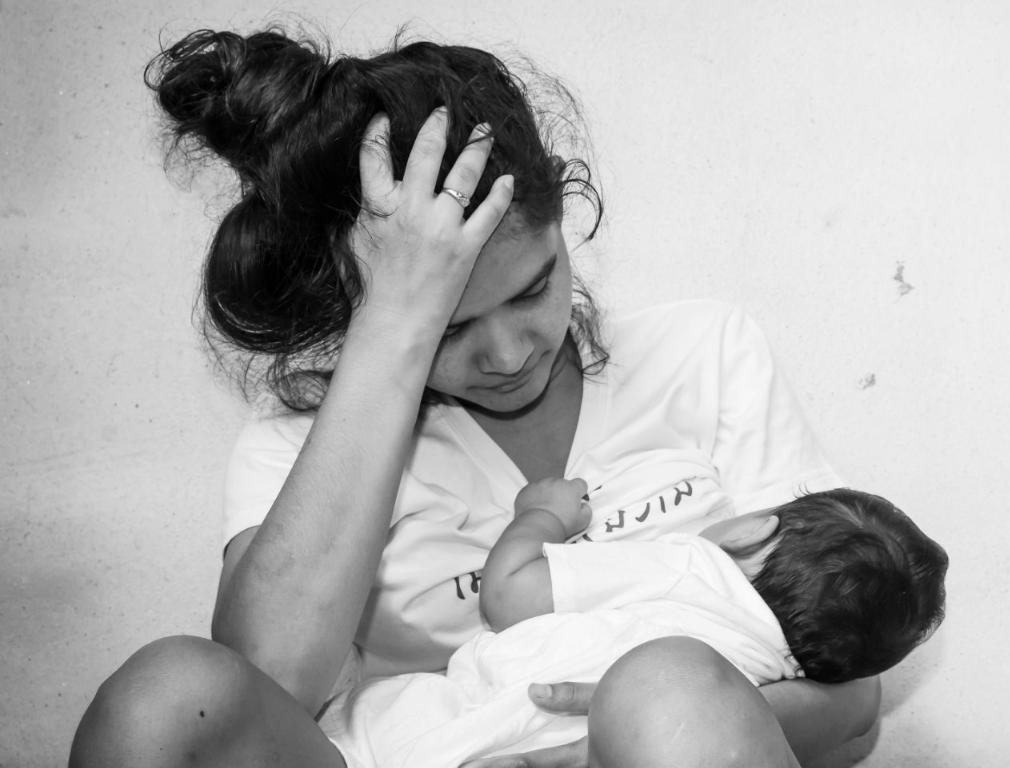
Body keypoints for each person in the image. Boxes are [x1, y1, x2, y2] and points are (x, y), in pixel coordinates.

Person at [70, 27, 884, 768]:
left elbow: (852, 700)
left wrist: (612, 732)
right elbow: (266, 685)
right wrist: (395, 329)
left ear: (562, 217)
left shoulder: (704, 353)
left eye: (532, 289)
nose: (509, 354)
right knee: (164, 694)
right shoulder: (295, 446)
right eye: (450, 329)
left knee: (668, 680)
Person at [324, 480, 948, 768]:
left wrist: (540, 517)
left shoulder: (693, 566)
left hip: (451, 733)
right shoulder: (765, 685)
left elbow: (509, 597)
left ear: (753, 530)